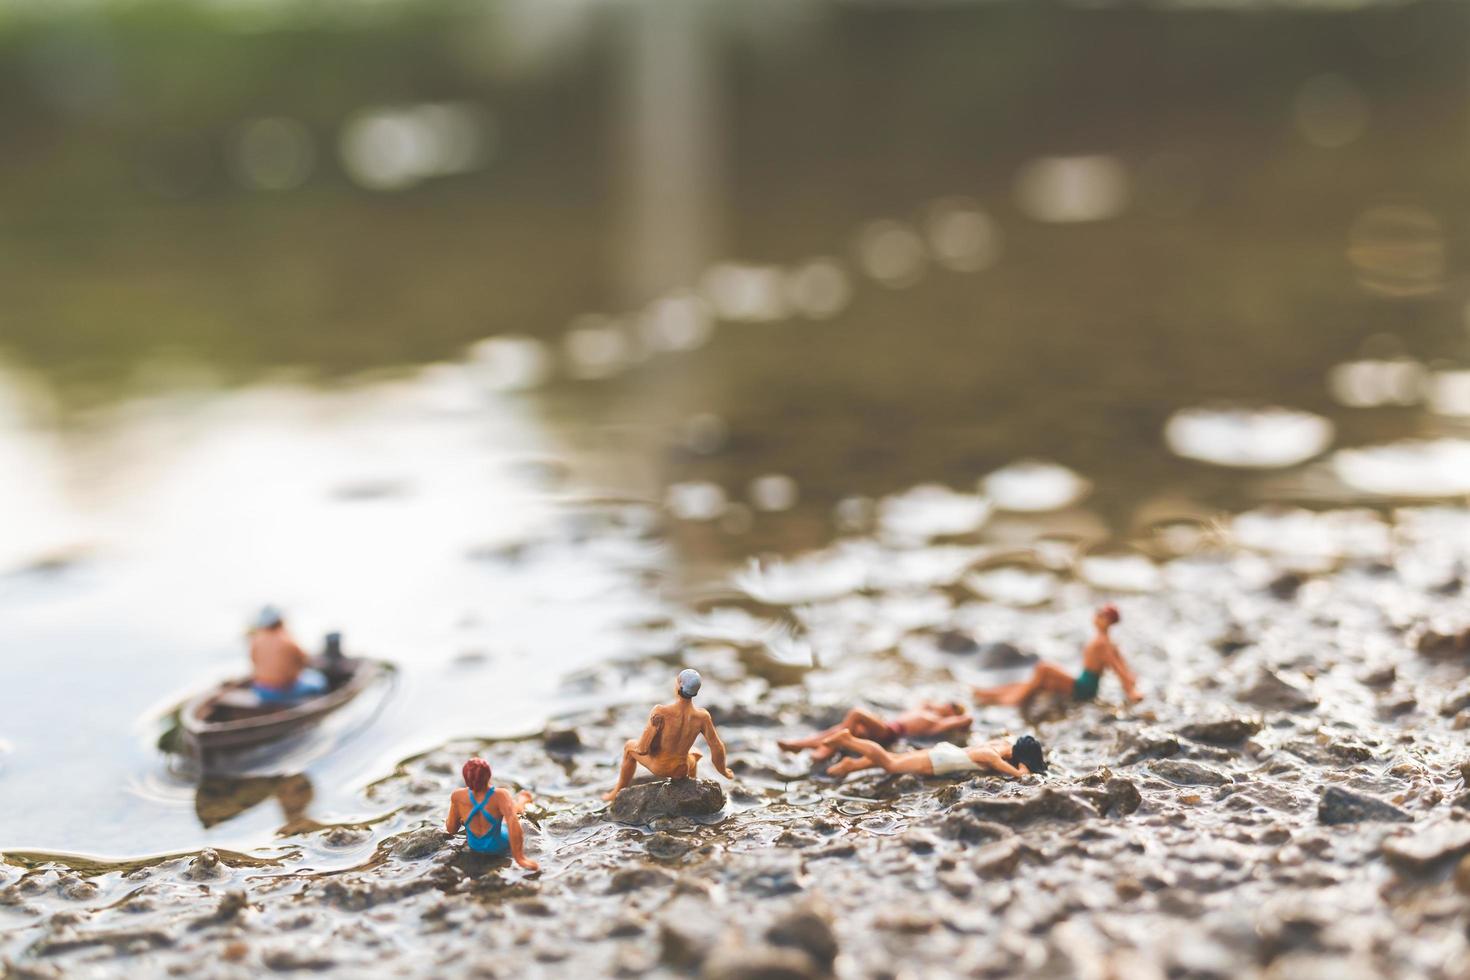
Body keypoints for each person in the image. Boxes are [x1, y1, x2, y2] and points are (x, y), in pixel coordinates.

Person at [971, 604, 1141, 708]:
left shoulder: (1102, 643)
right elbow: (1122, 664)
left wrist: (1131, 690)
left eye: (1101, 615)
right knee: (1037, 681)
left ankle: (1016, 699)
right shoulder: (1106, 642)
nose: (1096, 617)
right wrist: (1131, 680)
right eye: (1097, 613)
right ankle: (989, 694)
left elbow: (1117, 667)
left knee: (1044, 668)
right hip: (1083, 683)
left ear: (1108, 621)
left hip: (1084, 689)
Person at [603, 669, 734, 802]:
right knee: (694, 754)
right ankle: (691, 788)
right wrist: (723, 770)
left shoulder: (661, 712)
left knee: (629, 747)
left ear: (678, 685)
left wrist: (652, 731)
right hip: (682, 769)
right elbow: (717, 746)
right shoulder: (702, 717)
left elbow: (642, 749)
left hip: (660, 767)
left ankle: (616, 792)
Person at [777, 701, 973, 761]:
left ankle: (828, 748)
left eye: (952, 707)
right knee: (848, 728)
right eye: (949, 703)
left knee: (857, 713)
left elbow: (967, 719)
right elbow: (925, 701)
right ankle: (800, 745)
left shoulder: (937, 722)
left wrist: (958, 716)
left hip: (890, 733)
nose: (947, 705)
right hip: (886, 725)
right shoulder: (924, 709)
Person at [820, 729, 1047, 779]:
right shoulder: (992, 757)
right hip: (939, 760)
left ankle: (851, 765)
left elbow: (1011, 738)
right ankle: (849, 740)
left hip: (943, 755)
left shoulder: (999, 745)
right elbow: (1020, 777)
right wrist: (1025, 768)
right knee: (890, 763)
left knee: (898, 760)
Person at [445, 758, 538, 870]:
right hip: (498, 846)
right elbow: (513, 823)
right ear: (488, 775)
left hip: (474, 845)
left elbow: (451, 829)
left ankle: (522, 799)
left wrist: (464, 818)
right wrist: (520, 858)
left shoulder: (458, 796)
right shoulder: (500, 795)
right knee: (512, 810)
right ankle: (523, 799)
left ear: (465, 778)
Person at [249, 606, 327, 703]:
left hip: (260, 690)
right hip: (281, 693)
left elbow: (254, 660)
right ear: (280, 621)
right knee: (319, 681)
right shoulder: (288, 641)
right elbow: (304, 659)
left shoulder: (256, 640)